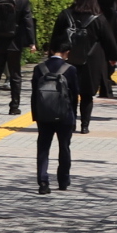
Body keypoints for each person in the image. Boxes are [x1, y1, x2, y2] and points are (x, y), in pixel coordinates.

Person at [55, 0, 117, 134]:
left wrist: (54, 54)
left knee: (69, 93)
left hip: (67, 59)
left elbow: (56, 38)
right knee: (87, 94)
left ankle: (70, 124)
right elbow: (109, 40)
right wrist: (113, 57)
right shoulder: (99, 19)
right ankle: (85, 125)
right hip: (92, 61)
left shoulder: (65, 15)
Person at [30, 38, 80, 194]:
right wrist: (73, 116)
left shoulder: (39, 69)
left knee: (43, 148)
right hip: (64, 115)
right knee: (64, 147)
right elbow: (75, 94)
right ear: (67, 53)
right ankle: (63, 180)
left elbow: (34, 94)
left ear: (51, 51)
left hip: (44, 115)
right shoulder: (70, 69)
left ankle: (43, 182)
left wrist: (36, 115)